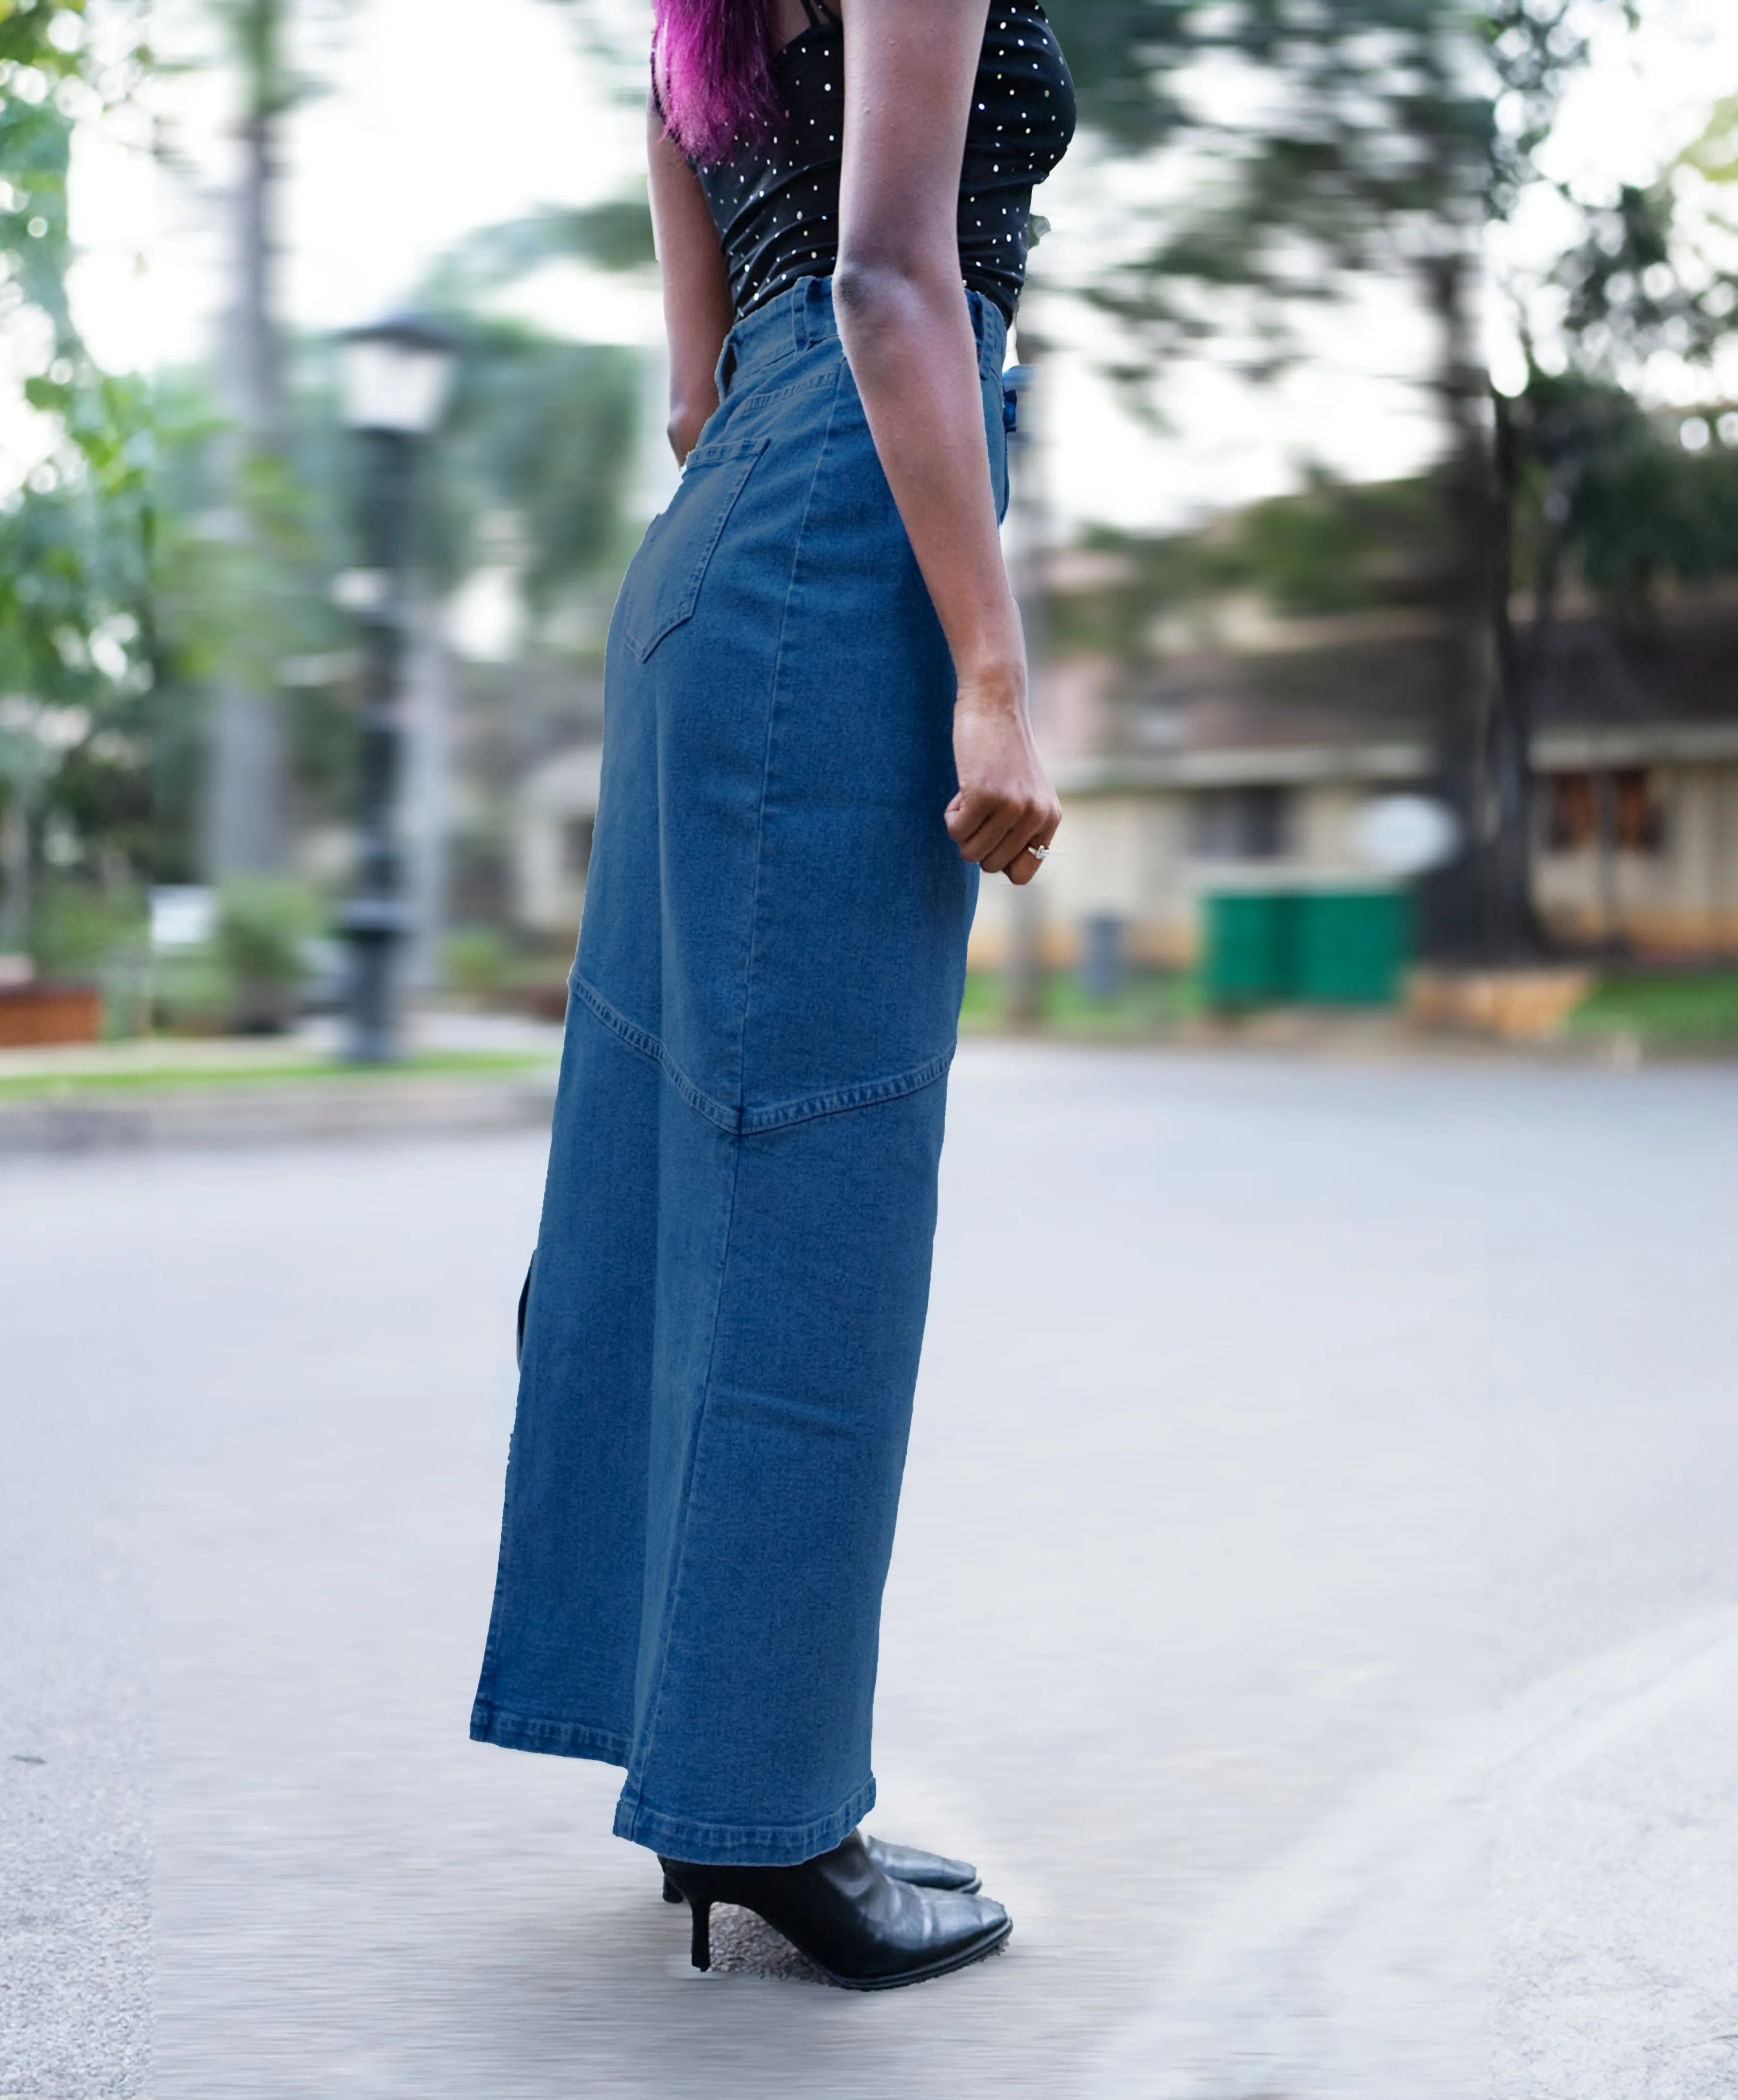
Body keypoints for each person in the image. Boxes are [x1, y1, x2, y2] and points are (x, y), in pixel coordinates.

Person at [470, 0, 1074, 1990]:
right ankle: (777, 1815)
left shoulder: (688, 23)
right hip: (851, 525)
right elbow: (893, 279)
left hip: (729, 528)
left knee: (683, 1176)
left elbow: (692, 375)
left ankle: (718, 1766)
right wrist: (987, 667)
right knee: (823, 1183)